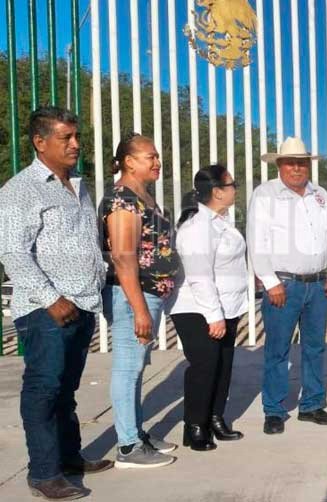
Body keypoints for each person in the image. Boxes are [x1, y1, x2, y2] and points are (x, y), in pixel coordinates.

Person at [0, 106, 112, 499]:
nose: (75, 144)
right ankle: (44, 474)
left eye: (76, 136)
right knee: (43, 389)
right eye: (66, 137)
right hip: (46, 310)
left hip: (83, 303)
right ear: (40, 142)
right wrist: (51, 299)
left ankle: (68, 458)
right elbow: (12, 253)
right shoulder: (20, 189)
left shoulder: (78, 184)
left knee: (66, 390)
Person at [247, 137, 327, 434]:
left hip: (318, 285)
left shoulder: (320, 195)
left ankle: (312, 405)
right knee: (277, 350)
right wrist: (270, 282)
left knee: (315, 347)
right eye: (290, 163)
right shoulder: (265, 195)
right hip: (283, 285)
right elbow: (257, 240)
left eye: (301, 163)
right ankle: (274, 410)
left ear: (308, 166)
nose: (297, 168)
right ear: (279, 165)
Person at [100, 132, 181, 468]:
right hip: (131, 295)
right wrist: (139, 309)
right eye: (151, 157)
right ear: (129, 162)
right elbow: (122, 256)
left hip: (147, 294)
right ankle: (128, 447)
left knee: (136, 367)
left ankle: (136, 433)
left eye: (157, 156)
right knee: (128, 368)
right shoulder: (123, 200)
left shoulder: (142, 197)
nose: (157, 162)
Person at [169, 165, 247, 451]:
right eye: (232, 184)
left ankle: (215, 418)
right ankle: (195, 426)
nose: (235, 189)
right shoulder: (197, 227)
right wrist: (214, 316)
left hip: (226, 306)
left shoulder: (221, 221)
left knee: (222, 365)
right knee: (205, 366)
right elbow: (199, 276)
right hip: (198, 308)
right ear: (217, 192)